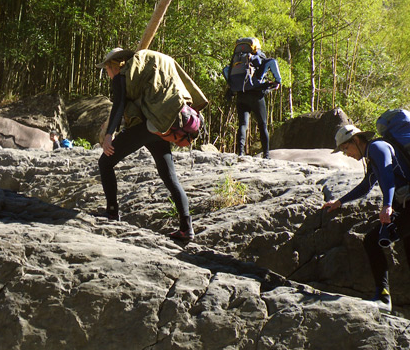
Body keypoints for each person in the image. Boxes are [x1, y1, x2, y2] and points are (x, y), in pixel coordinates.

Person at [322, 124, 410, 338]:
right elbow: (366, 185)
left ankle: (383, 297)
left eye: (346, 149)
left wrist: (387, 205)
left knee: (372, 241)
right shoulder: (375, 153)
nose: (347, 154)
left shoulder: (378, 148)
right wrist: (340, 202)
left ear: (355, 141)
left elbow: (388, 176)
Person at [97, 47, 207, 241]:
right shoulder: (146, 70)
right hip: (165, 124)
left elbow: (119, 104)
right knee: (169, 176)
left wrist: (109, 135)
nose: (107, 73)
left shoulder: (122, 75)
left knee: (105, 163)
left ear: (112, 65)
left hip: (150, 127)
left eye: (106, 69)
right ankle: (186, 228)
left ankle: (112, 213)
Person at [223, 38, 281, 158]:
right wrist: (277, 81)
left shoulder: (236, 59)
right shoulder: (257, 57)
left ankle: (241, 153)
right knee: (262, 125)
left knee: (243, 124)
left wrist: (233, 85)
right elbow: (272, 62)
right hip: (256, 95)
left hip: (241, 95)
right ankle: (266, 155)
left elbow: (226, 70)